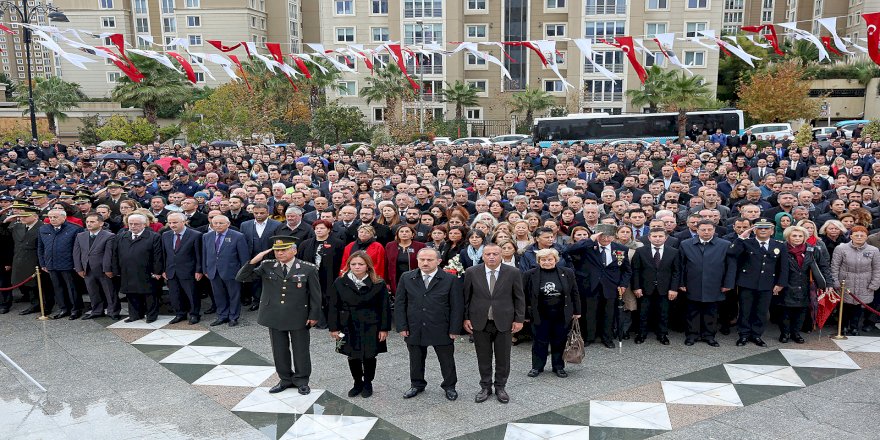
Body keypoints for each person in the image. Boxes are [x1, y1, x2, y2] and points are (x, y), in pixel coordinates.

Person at [236, 236, 322, 395]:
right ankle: (285, 379)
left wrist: (314, 314)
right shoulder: (267, 266)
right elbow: (242, 277)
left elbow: (315, 295)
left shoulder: (307, 268)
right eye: (276, 250)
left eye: (284, 250)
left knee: (301, 350)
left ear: (294, 250)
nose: (279, 253)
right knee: (279, 349)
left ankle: (302, 380)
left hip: (298, 315)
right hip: (274, 314)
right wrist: (255, 260)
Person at [394, 248, 464, 402]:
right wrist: (402, 326)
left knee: (446, 359)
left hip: (441, 326)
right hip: (414, 326)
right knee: (416, 358)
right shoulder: (407, 277)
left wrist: (454, 329)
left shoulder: (450, 279)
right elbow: (400, 303)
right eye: (422, 259)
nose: (425, 263)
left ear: (439, 261)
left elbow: (457, 306)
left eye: (429, 260)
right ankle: (417, 384)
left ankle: (449, 386)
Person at [463, 243, 526, 404]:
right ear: (482, 256)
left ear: (501, 255)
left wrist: (519, 319)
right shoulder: (472, 272)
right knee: (483, 356)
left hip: (504, 321)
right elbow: (466, 297)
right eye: (488, 254)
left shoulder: (512, 272)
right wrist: (466, 318)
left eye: (495, 254)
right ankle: (485, 386)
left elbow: (519, 297)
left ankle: (500, 386)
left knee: (503, 357)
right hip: (479, 321)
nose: (491, 257)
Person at [328, 251, 392, 399]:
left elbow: (384, 307)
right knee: (352, 355)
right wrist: (334, 328)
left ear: (368, 266)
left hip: (372, 324)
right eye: (353, 264)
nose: (357, 267)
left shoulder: (378, 283)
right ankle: (357, 382)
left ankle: (368, 382)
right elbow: (333, 306)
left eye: (361, 264)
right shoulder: (340, 282)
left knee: (370, 355)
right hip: (348, 324)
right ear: (349, 265)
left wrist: (384, 328)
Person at [564, 224, 632, 348]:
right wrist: (590, 239)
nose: (605, 239)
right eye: (602, 236)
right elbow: (568, 250)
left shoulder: (621, 249)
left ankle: (607, 338)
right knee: (590, 312)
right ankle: (589, 337)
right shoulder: (589, 247)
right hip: (590, 285)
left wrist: (623, 284)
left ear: (614, 236)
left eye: (609, 237)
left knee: (609, 313)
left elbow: (626, 270)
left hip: (611, 286)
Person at [729, 219, 788, 347]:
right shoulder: (747, 243)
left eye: (766, 228)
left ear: (772, 231)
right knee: (745, 310)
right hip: (747, 282)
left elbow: (783, 267)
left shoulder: (779, 245)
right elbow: (731, 252)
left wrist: (780, 283)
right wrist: (741, 237)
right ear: (754, 230)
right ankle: (743, 335)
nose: (763, 230)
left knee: (761, 311)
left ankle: (756, 335)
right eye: (760, 228)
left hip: (768, 283)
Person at [523, 248, 580, 378]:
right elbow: (524, 296)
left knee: (559, 341)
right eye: (543, 260)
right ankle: (537, 367)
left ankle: (558, 366)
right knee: (539, 341)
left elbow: (574, 292)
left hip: (561, 313)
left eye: (550, 259)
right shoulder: (529, 274)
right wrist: (525, 315)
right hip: (540, 314)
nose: (547, 262)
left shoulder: (567, 272)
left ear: (556, 260)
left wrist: (577, 311)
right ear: (538, 261)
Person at [679, 221, 737, 346]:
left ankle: (709, 335)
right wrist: (681, 282)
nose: (706, 232)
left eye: (709, 229)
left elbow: (730, 266)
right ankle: (692, 335)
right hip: (692, 283)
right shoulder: (685, 244)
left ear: (714, 230)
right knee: (692, 311)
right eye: (703, 230)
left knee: (711, 311)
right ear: (697, 230)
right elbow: (681, 265)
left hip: (715, 283)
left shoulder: (725, 244)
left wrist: (728, 284)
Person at [778, 226, 830, 343]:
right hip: (786, 284)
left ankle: (796, 333)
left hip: (805, 285)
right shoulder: (782, 249)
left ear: (805, 237)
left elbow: (824, 266)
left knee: (801, 311)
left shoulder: (812, 250)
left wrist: (828, 283)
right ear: (788, 237)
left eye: (800, 236)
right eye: (794, 236)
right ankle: (785, 333)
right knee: (785, 311)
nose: (797, 238)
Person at [631, 228, 680, 345]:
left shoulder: (673, 251)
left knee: (663, 313)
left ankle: (662, 334)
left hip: (665, 288)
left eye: (660, 236)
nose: (657, 239)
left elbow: (676, 272)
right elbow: (636, 271)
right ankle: (641, 334)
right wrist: (636, 287)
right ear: (649, 238)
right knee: (643, 312)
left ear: (665, 238)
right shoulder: (640, 251)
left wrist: (673, 288)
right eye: (654, 236)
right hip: (645, 288)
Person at [113, 213, 163, 323]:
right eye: (130, 224)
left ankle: (151, 315)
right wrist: (116, 270)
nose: (133, 226)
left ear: (144, 225)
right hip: (127, 271)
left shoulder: (153, 236)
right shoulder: (122, 236)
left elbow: (158, 256)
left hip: (147, 271)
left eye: (136, 224)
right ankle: (135, 315)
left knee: (149, 294)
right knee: (131, 294)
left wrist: (157, 271)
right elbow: (115, 254)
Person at [830, 225, 880, 335]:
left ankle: (854, 327)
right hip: (845, 281)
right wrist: (835, 281)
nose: (859, 237)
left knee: (858, 306)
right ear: (851, 236)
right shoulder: (841, 248)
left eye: (862, 235)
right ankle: (843, 327)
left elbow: (877, 268)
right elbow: (835, 266)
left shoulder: (873, 250)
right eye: (856, 235)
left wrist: (874, 283)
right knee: (845, 306)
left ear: (867, 237)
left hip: (864, 282)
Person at [202, 215, 250, 327]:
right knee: (218, 295)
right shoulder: (206, 236)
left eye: (221, 223)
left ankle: (233, 317)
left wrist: (243, 272)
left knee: (234, 295)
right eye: (215, 223)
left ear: (228, 224)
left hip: (232, 271)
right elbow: (204, 254)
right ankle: (222, 316)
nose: (218, 225)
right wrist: (205, 269)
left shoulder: (238, 236)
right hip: (213, 271)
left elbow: (244, 256)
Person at [38, 209, 84, 319]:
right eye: (51, 217)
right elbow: (40, 247)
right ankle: (63, 308)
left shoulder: (75, 229)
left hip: (68, 264)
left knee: (71, 288)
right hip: (51, 264)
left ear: (64, 217)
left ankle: (75, 309)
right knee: (58, 288)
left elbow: (79, 249)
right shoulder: (43, 229)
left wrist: (77, 264)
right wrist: (43, 263)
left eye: (55, 217)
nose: (52, 219)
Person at [298, 219, 345, 328]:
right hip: (311, 276)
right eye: (316, 228)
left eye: (322, 228)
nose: (318, 230)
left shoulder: (338, 243)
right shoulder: (306, 244)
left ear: (329, 230)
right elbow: (300, 260)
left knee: (329, 297)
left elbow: (341, 260)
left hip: (330, 276)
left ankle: (328, 320)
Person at [3, 204, 47, 316]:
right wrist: (6, 222)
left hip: (35, 260)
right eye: (20, 216)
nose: (22, 218)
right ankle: (34, 304)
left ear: (35, 216)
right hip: (20, 259)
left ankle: (43, 306)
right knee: (28, 286)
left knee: (39, 286)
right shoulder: (18, 227)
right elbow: (4, 236)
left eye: (25, 216)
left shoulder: (42, 227)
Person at [73, 213, 119, 320]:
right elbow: (76, 253)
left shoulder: (109, 236)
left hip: (103, 269)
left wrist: (107, 269)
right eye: (87, 222)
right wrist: (79, 268)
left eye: (92, 222)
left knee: (109, 291)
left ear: (101, 223)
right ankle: (97, 310)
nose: (89, 224)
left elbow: (109, 254)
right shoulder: (80, 236)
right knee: (93, 292)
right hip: (87, 269)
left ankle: (113, 311)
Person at [162, 212, 204, 324]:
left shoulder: (195, 235)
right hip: (171, 270)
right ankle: (180, 314)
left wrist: (198, 270)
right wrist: (163, 269)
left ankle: (194, 314)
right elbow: (164, 254)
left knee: (192, 294)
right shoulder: (166, 235)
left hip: (189, 270)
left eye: (175, 222)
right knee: (175, 294)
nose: (172, 225)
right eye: (169, 222)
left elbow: (198, 255)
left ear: (184, 222)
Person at [240, 203, 282, 311]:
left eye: (262, 213)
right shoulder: (245, 225)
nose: (259, 215)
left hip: (270, 257)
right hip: (253, 256)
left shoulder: (277, 224)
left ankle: (271, 301)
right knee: (255, 280)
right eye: (256, 213)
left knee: (271, 279)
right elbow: (243, 242)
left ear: (268, 213)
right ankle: (257, 301)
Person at [385, 224, 425, 299]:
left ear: (412, 234)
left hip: (415, 278)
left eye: (407, 231)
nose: (404, 233)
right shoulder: (390, 245)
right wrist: (387, 282)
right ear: (397, 234)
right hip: (395, 278)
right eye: (401, 232)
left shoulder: (420, 246)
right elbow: (386, 264)